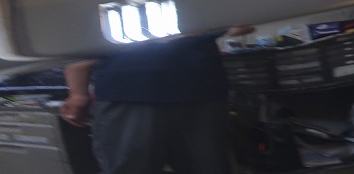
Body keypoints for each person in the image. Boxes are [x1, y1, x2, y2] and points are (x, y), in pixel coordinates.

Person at [60, 25, 255, 174]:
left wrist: (78, 94)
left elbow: (242, 24)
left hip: (140, 91)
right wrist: (77, 93)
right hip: (183, 89)